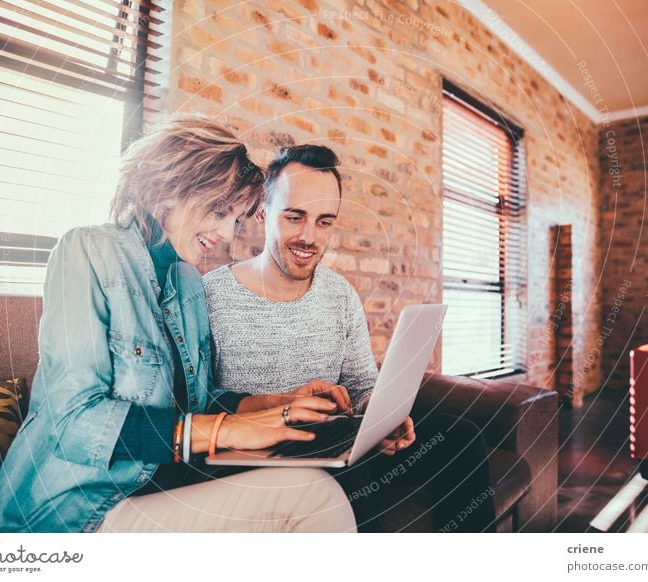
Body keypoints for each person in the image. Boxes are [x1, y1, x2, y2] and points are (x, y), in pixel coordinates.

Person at [0, 119, 356, 533]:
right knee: (311, 497)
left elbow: (198, 402)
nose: (227, 233)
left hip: (152, 496)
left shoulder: (186, 282)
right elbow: (73, 423)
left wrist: (278, 403)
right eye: (219, 210)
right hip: (73, 512)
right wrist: (227, 431)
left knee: (311, 485)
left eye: (237, 219)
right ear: (171, 187)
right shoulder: (86, 251)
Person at [203, 144, 497, 532]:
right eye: (295, 217)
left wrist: (381, 414)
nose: (309, 237)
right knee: (342, 481)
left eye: (324, 222)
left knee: (458, 435)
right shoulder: (211, 296)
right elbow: (197, 402)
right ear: (262, 213)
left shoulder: (339, 293)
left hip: (334, 440)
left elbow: (361, 383)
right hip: (265, 454)